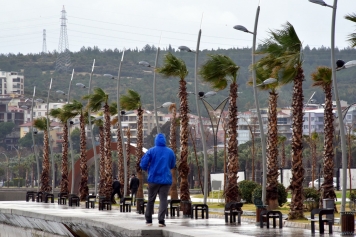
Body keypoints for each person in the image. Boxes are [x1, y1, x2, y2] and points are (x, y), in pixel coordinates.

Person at [140, 133, 176, 227]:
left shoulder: (151, 151)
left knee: (150, 200)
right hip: (166, 180)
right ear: (165, 141)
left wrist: (148, 170)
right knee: (163, 200)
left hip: (153, 179)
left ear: (155, 141)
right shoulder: (170, 152)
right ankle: (161, 221)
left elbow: (143, 163)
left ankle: (149, 220)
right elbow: (172, 165)